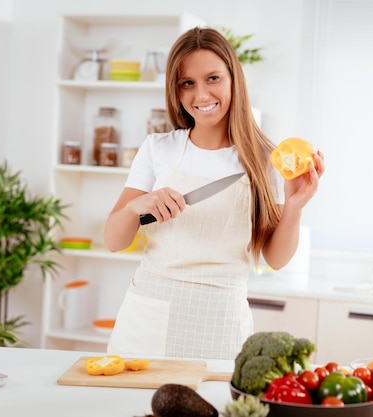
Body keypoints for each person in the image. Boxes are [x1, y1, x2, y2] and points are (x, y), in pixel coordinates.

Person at [103, 26, 325, 360]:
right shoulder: (158, 149)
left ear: (234, 79)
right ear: (176, 92)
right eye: (187, 83)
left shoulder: (268, 159)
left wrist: (295, 207)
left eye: (213, 78)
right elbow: (113, 240)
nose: (202, 95)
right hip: (148, 317)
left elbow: (275, 260)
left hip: (220, 324)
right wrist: (137, 206)